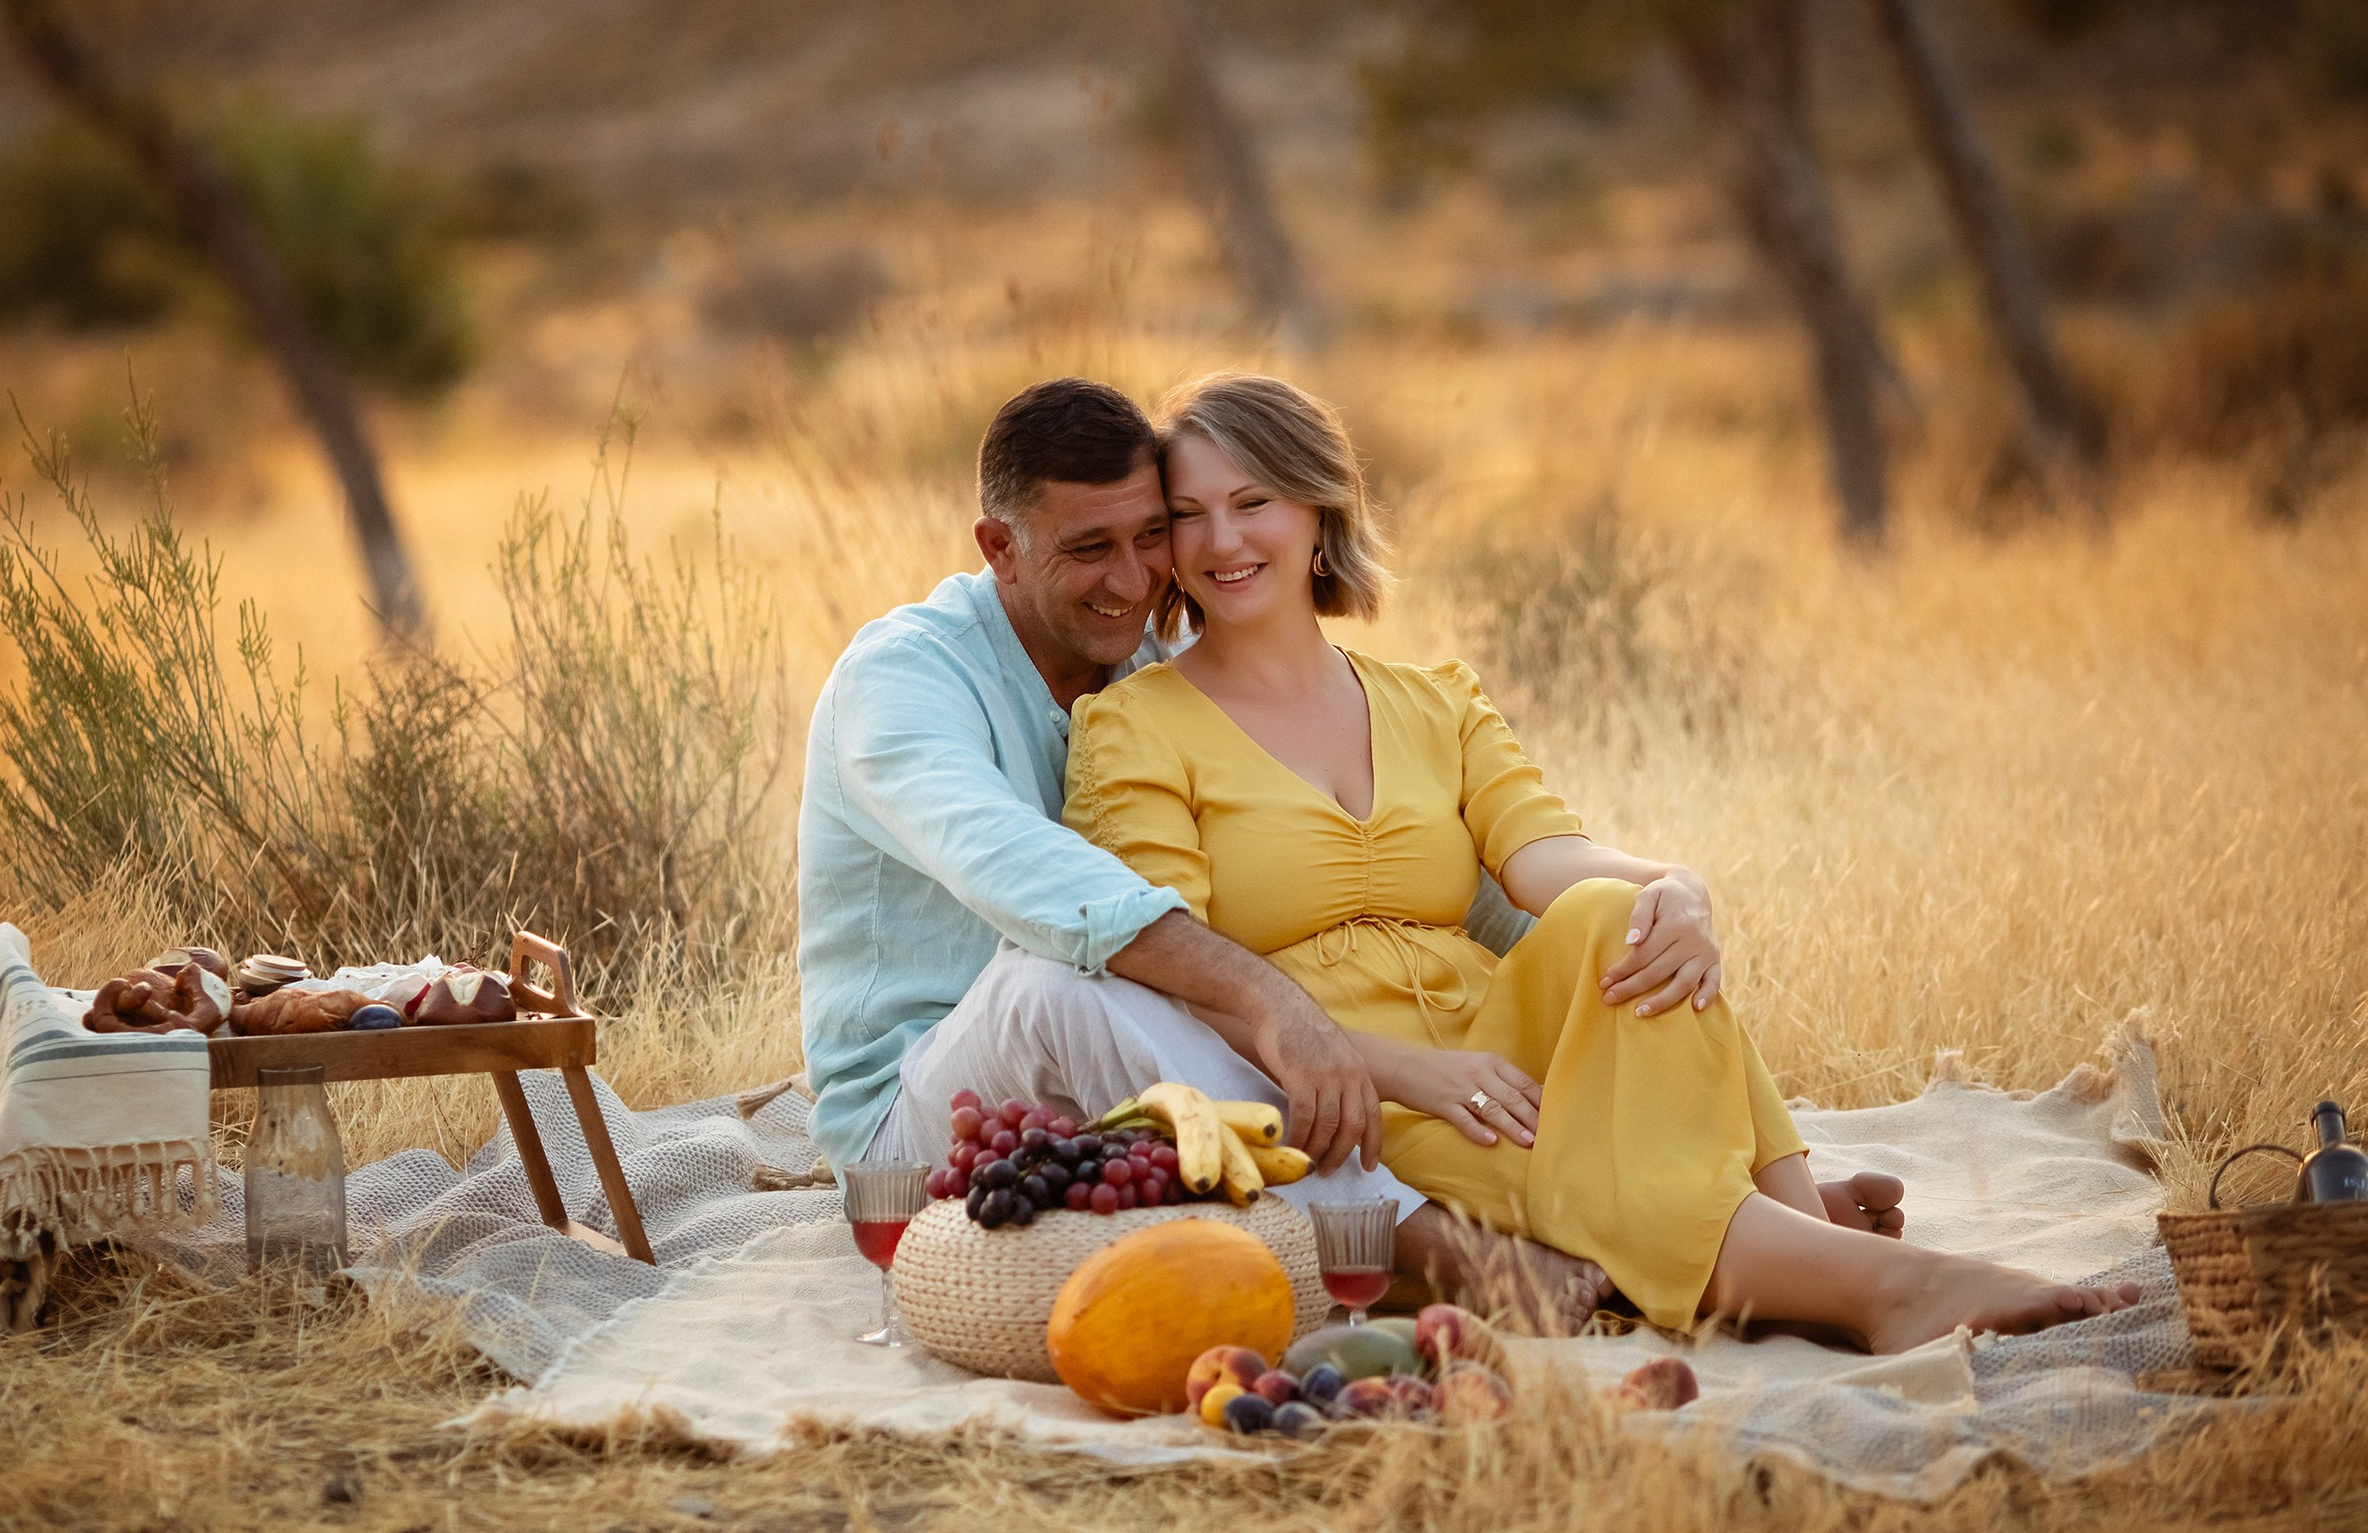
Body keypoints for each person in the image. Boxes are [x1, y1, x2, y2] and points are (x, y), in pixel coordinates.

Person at [1059, 371, 2140, 1352]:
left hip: (1503, 1048)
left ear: (1317, 511)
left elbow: (1549, 860)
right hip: (1344, 1088)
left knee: (1620, 923)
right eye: (1187, 515)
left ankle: (1797, 1233)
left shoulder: (1435, 698)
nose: (1219, 540)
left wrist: (1678, 887)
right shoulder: (1133, 727)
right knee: (1597, 1166)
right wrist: (1408, 1071)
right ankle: (1857, 1269)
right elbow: (1180, 976)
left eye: (1252, 500)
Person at [798, 378, 1612, 1326]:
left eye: (1153, 535)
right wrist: (1278, 1005)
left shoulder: (1144, 670)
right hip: (920, 1124)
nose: (1136, 579)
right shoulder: (903, 679)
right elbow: (1019, 868)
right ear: (999, 549)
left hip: (1129, 1101)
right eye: (1089, 548)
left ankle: (1668, 1204)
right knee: (1059, 980)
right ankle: (1420, 1243)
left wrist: (1586, 942)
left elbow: (1432, 873)